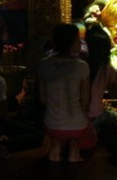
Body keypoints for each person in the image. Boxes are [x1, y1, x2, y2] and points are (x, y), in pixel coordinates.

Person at [38, 23, 93, 163]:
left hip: (51, 125)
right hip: (77, 126)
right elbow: (84, 102)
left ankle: (57, 145)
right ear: (72, 42)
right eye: (78, 40)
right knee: (90, 137)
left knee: (57, 133)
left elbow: (43, 99)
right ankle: (74, 146)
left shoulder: (44, 65)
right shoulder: (82, 66)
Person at [84, 23, 117, 137]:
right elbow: (113, 94)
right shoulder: (107, 68)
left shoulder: (80, 64)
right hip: (95, 115)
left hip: (78, 115)